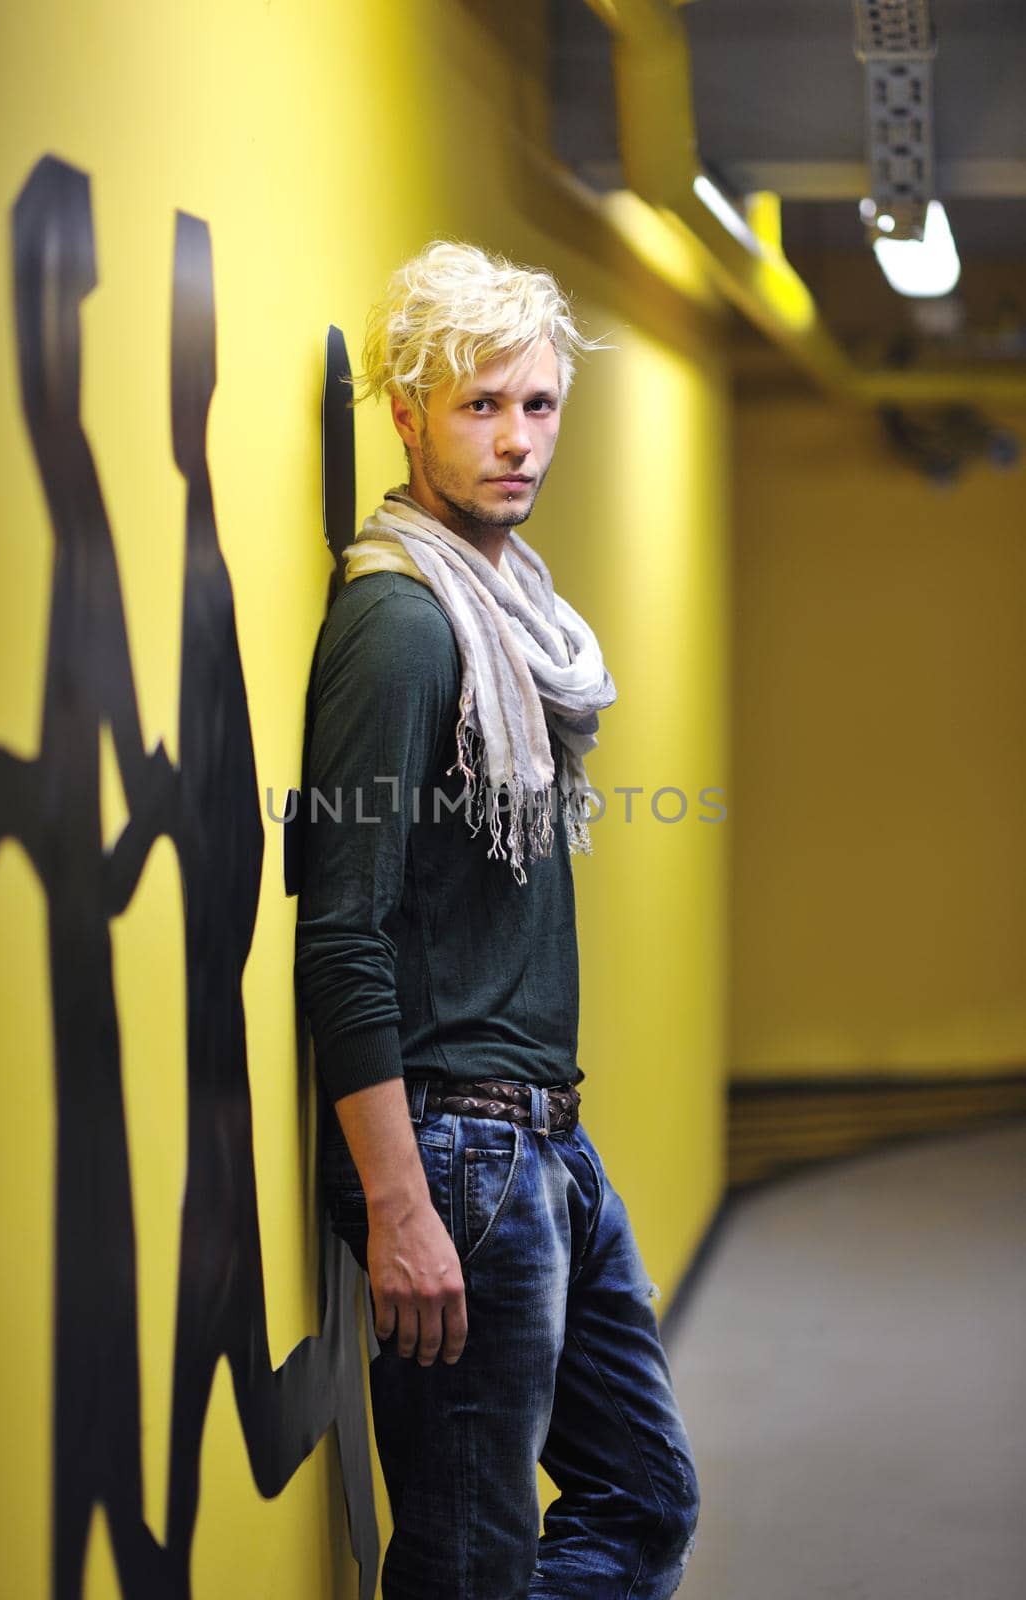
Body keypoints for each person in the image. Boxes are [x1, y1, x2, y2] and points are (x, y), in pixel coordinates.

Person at [295, 240, 699, 1599]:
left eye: (538, 406)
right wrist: (402, 1207)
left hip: (540, 1145)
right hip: (453, 1156)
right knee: (472, 1561)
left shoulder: (512, 617)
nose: (519, 441)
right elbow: (342, 931)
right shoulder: (403, 626)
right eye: (482, 406)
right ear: (407, 412)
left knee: (643, 1499)